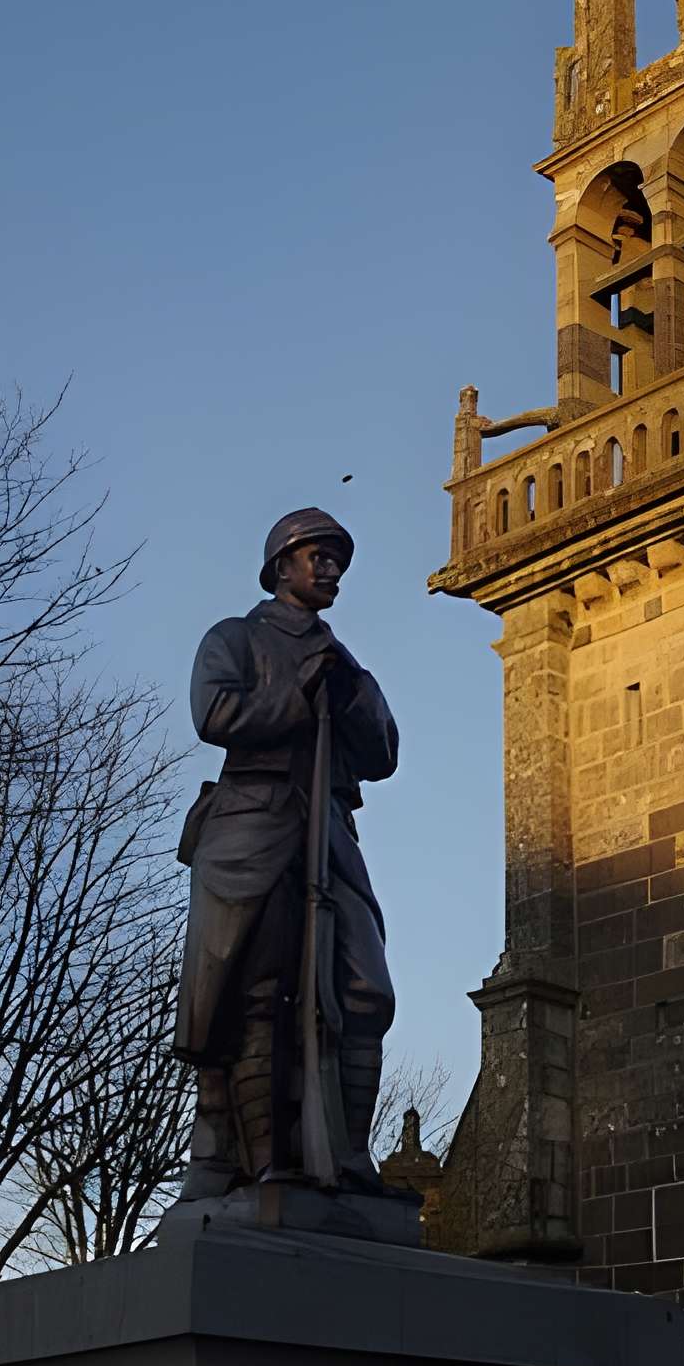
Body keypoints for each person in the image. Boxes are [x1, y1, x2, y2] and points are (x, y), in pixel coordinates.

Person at [172, 508, 398, 1196]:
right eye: (316, 556)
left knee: (365, 989)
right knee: (258, 993)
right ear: (281, 566)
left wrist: (347, 697)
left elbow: (383, 751)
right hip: (254, 822)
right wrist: (297, 701)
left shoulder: (344, 661)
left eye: (336, 559)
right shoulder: (235, 638)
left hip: (326, 830)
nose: (329, 568)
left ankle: (350, 1159)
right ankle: (264, 1157)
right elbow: (216, 715)